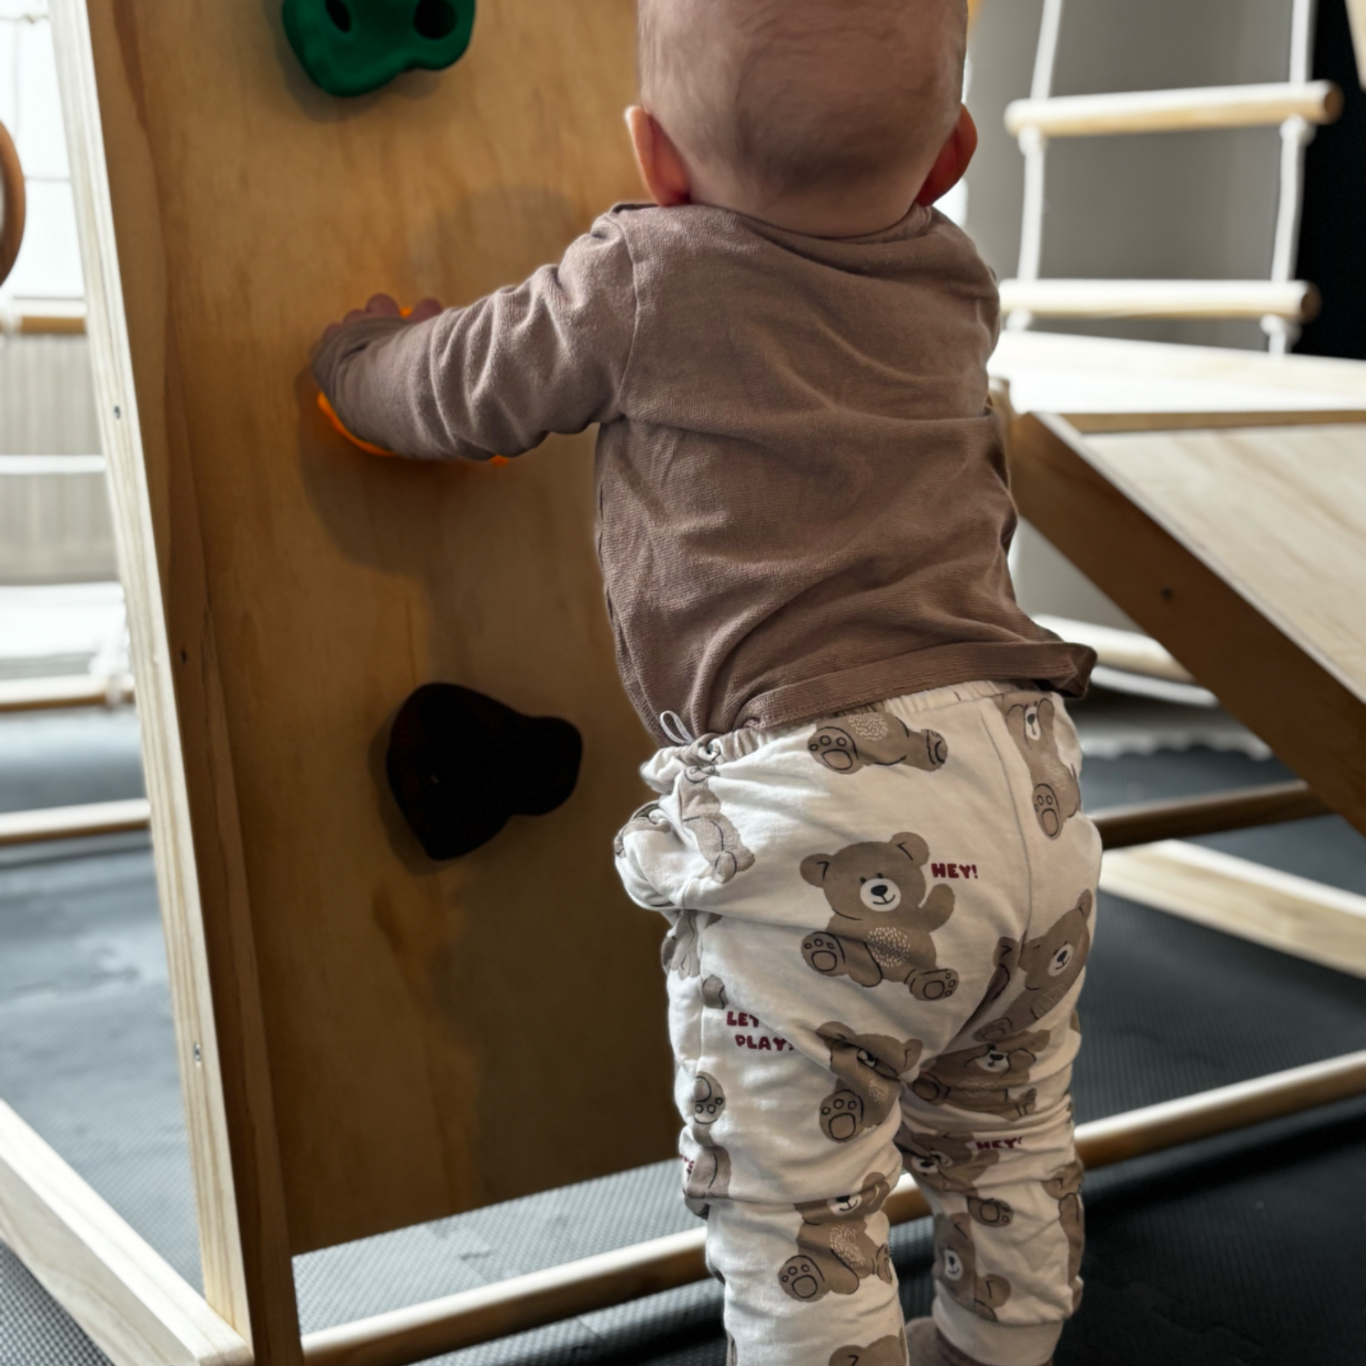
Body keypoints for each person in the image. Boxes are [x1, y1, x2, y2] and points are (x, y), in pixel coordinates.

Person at [310, 3, 1101, 1362]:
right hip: (1028, 778)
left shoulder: (646, 270)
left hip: (824, 805)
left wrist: (351, 362)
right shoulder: (953, 279)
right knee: (1008, 1133)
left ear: (654, 156)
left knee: (797, 1202)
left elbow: (462, 386)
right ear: (950, 156)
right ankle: (1002, 1347)